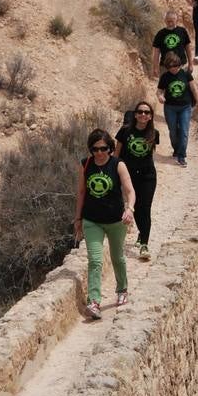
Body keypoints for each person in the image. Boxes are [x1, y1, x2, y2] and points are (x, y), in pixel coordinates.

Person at [74, 129, 136, 319]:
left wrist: (130, 209)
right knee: (95, 260)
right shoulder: (86, 165)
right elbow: (82, 193)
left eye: (103, 148)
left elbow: (130, 191)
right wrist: (78, 219)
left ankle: (122, 289)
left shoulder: (118, 165)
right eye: (95, 149)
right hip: (92, 221)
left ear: (110, 148)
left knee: (117, 257)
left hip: (116, 221)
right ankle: (94, 301)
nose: (99, 153)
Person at [114, 101, 158, 261]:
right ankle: (142, 232)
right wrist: (114, 172)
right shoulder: (125, 132)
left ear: (151, 116)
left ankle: (144, 244)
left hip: (148, 176)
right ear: (135, 114)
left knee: (144, 207)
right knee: (136, 207)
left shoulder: (154, 133)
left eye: (147, 112)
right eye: (140, 112)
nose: (143, 115)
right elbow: (117, 154)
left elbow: (150, 155)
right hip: (129, 176)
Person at [157, 52, 198, 168]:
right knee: (173, 130)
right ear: (167, 67)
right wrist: (160, 97)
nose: (173, 69)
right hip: (170, 107)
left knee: (184, 131)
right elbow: (159, 91)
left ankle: (181, 156)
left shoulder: (186, 74)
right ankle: (176, 149)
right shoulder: (165, 77)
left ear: (179, 64)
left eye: (176, 66)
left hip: (185, 107)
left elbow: (193, 89)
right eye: (170, 67)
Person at [151, 10, 194, 77]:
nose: (170, 23)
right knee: (165, 86)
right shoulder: (160, 34)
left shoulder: (182, 31)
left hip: (182, 65)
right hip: (165, 67)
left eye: (172, 21)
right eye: (168, 21)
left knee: (183, 86)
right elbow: (156, 52)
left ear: (176, 20)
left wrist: (191, 64)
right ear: (165, 21)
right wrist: (155, 68)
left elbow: (188, 48)